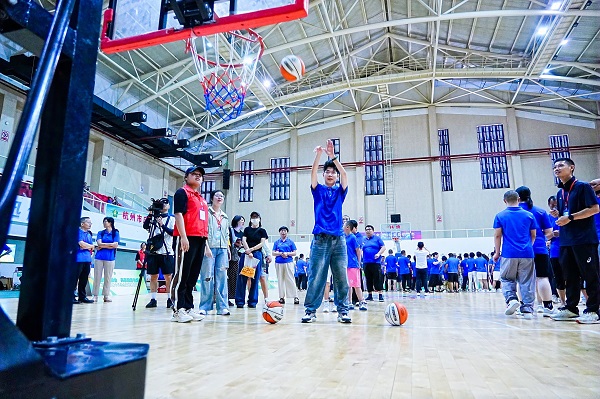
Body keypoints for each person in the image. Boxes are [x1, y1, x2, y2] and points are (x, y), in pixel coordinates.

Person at [301, 139, 351, 324]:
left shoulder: (340, 191)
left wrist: (333, 157)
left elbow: (345, 173)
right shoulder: (318, 190)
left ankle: (343, 311)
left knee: (341, 277)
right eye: (327, 172)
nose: (330, 174)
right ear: (324, 175)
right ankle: (310, 311)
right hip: (320, 240)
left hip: (339, 240)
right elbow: (313, 172)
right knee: (316, 276)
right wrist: (319, 155)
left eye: (333, 172)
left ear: (336, 176)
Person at [550, 158, 600, 323]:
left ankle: (594, 310)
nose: (557, 168)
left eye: (561, 165)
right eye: (555, 166)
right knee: (569, 275)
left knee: (590, 274)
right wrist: (560, 215)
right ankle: (571, 308)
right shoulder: (560, 192)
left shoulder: (583, 186)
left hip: (584, 239)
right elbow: (567, 211)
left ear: (571, 168)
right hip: (566, 240)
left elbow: (594, 209)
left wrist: (570, 217)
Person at [171, 166, 210, 323]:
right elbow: (178, 215)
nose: (198, 177)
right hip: (186, 238)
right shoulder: (182, 193)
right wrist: (183, 236)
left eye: (200, 175)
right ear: (186, 177)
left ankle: (187, 307)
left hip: (200, 239)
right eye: (194, 174)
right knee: (182, 274)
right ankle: (177, 310)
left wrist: (205, 243)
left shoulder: (201, 199)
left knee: (192, 276)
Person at [493, 190, 537, 319]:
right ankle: (528, 307)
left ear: (504, 201)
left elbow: (497, 235)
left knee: (507, 278)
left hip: (509, 253)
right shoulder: (529, 215)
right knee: (527, 280)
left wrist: (497, 252)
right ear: (518, 199)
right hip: (527, 253)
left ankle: (512, 299)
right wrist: (528, 246)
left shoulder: (500, 216)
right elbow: (533, 235)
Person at [515, 186, 555, 315]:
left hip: (520, 251)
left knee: (522, 280)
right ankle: (547, 307)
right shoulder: (541, 212)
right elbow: (549, 234)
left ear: (517, 197)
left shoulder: (513, 212)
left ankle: (524, 307)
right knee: (542, 278)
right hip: (539, 249)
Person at [198, 190, 230, 316]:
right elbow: (202, 230)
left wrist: (227, 249)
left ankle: (223, 307)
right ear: (212, 198)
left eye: (222, 196)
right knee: (207, 277)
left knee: (222, 278)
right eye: (217, 195)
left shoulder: (225, 216)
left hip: (222, 250)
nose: (220, 197)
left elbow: (226, 234)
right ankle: (205, 307)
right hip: (209, 248)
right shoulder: (206, 213)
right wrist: (206, 247)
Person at [143, 198, 175, 309]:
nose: (164, 204)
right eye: (162, 203)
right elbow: (145, 226)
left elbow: (173, 233)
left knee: (168, 276)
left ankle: (169, 298)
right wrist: (150, 214)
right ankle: (153, 299)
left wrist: (162, 225)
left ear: (169, 206)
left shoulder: (172, 219)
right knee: (153, 276)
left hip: (167, 252)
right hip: (153, 252)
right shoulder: (153, 218)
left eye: (166, 202)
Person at [235, 211, 268, 308]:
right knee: (242, 277)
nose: (254, 219)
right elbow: (244, 240)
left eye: (256, 217)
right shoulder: (247, 229)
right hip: (246, 254)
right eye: (253, 217)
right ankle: (240, 301)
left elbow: (262, 243)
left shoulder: (262, 231)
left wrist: (252, 250)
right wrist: (248, 251)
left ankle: (252, 301)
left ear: (259, 219)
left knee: (255, 278)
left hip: (257, 254)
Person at [93, 217, 120, 303]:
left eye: (106, 221)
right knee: (97, 277)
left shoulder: (115, 233)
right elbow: (99, 243)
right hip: (99, 257)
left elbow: (115, 245)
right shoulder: (100, 233)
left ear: (110, 223)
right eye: (103, 221)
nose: (104, 223)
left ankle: (106, 295)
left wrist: (103, 246)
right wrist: (109, 245)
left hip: (110, 258)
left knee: (108, 277)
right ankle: (95, 295)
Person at [272, 226, 299, 305]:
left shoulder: (290, 242)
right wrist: (281, 253)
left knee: (290, 279)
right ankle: (281, 297)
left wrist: (287, 253)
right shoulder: (277, 242)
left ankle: (295, 297)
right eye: (282, 231)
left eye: (285, 231)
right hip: (278, 262)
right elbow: (273, 253)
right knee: (280, 280)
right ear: (279, 232)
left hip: (288, 262)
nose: (283, 232)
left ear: (287, 232)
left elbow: (294, 252)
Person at [345, 220, 367, 311]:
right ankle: (349, 302)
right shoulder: (343, 237)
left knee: (356, 284)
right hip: (345, 264)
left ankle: (361, 301)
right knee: (348, 285)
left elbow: (358, 250)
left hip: (353, 264)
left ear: (347, 227)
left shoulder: (352, 237)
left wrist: (358, 262)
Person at [362, 224, 386, 302]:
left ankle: (380, 295)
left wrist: (378, 254)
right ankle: (369, 295)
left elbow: (383, 247)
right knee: (368, 278)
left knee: (377, 278)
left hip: (375, 262)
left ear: (373, 231)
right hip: (366, 262)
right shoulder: (363, 240)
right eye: (366, 229)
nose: (368, 231)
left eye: (369, 229)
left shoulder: (377, 239)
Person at [74, 217, 94, 304]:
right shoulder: (78, 232)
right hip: (78, 259)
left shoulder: (89, 234)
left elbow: (91, 246)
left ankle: (82, 296)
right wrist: (89, 246)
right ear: (82, 224)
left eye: (90, 223)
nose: (90, 224)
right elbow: (81, 244)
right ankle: (71, 296)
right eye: (88, 222)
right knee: (74, 279)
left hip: (87, 259)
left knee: (84, 279)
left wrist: (88, 246)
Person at [228, 215, 245, 306]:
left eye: (243, 220)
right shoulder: (230, 230)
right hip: (229, 256)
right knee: (226, 277)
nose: (242, 222)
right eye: (241, 220)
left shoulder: (242, 234)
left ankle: (232, 297)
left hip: (237, 257)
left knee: (234, 278)